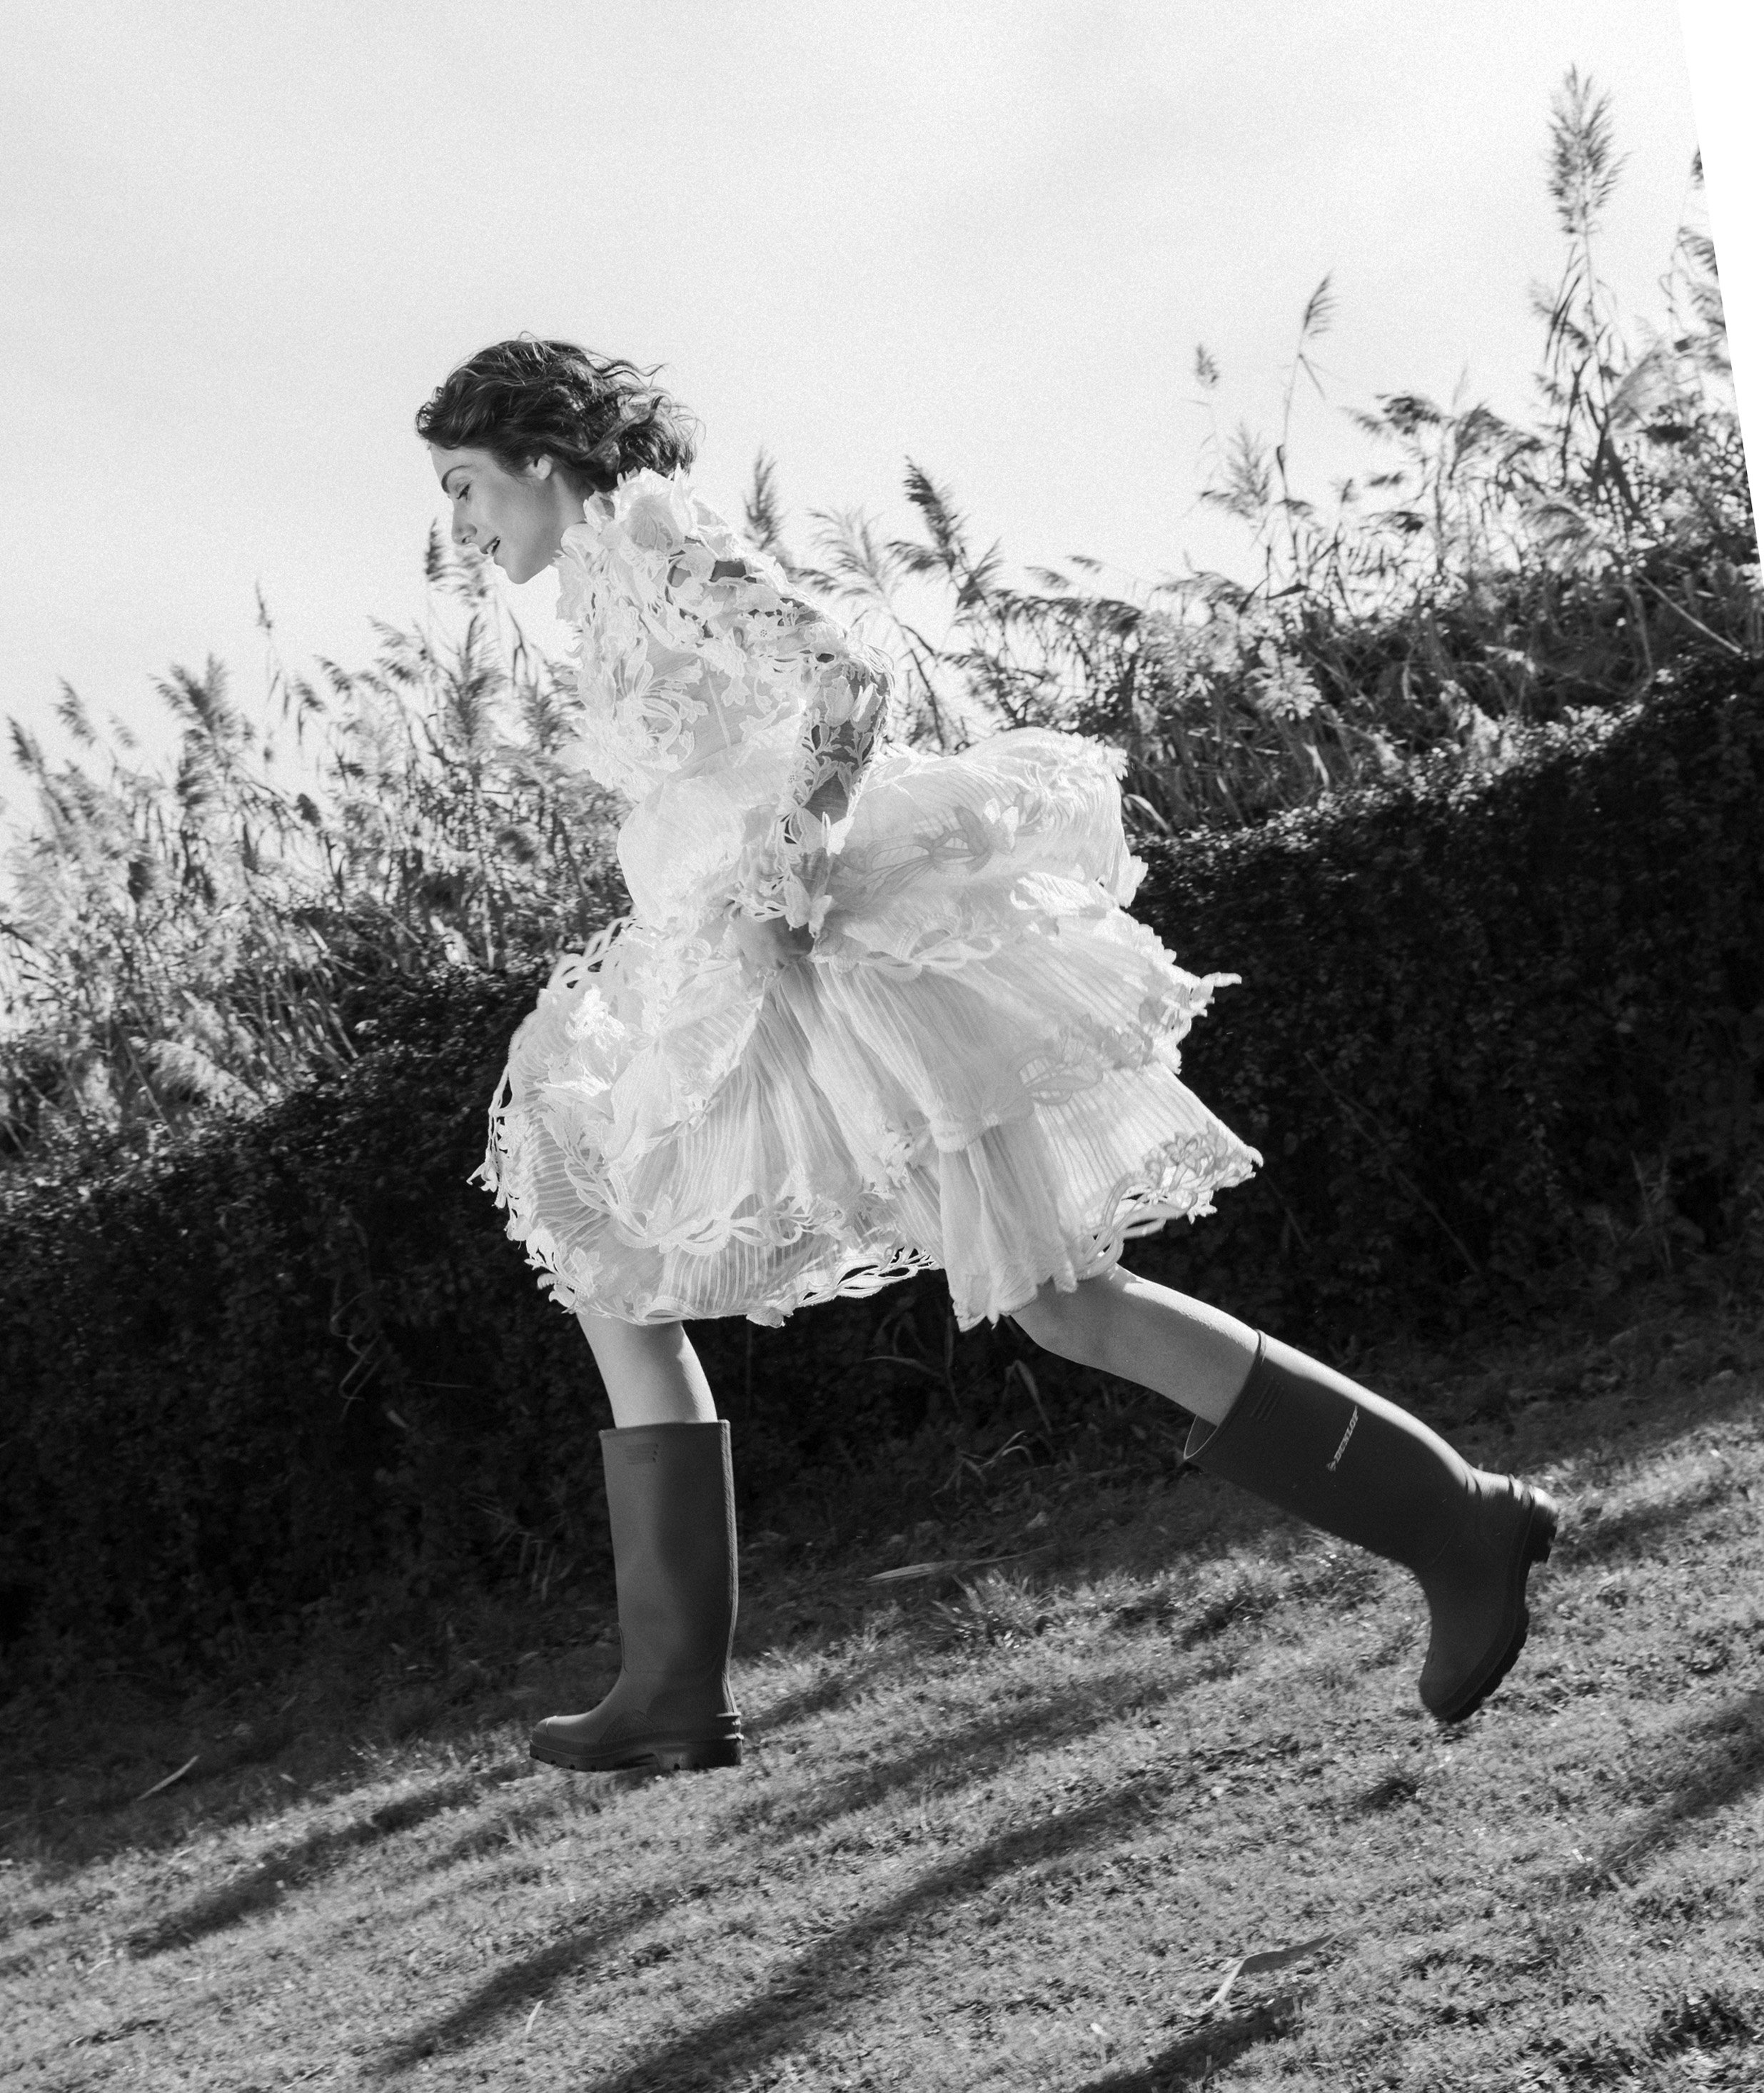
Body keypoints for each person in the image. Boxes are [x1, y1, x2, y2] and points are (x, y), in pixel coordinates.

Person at [417, 336, 1556, 1776]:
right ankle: (669, 1685)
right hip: (722, 976)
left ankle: (1459, 1519)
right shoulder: (599, 583)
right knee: (602, 1239)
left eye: (466, 486)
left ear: (537, 454)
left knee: (1062, 1301)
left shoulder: (644, 529)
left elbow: (842, 674)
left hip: (823, 968)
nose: (461, 527)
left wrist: (790, 859)